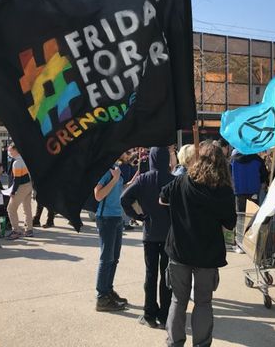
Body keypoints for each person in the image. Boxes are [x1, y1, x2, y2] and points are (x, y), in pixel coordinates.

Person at [160, 142, 236, 347]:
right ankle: (201, 344)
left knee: (178, 300)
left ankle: (174, 342)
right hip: (207, 254)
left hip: (179, 250)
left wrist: (178, 207)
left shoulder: (181, 182)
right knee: (203, 302)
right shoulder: (223, 190)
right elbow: (230, 223)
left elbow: (162, 198)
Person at [121, 147, 174, 328]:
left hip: (150, 233)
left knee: (150, 274)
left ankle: (149, 313)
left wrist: (138, 216)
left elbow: (124, 199)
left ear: (150, 159)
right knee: (166, 275)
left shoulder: (143, 179)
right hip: (168, 234)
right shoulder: (174, 180)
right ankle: (165, 314)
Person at [93, 164, 129, 312]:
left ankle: (108, 290)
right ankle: (102, 297)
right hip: (106, 218)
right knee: (106, 258)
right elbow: (98, 195)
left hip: (117, 217)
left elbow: (117, 191)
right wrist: (114, 179)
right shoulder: (106, 171)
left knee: (114, 258)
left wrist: (130, 183)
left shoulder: (116, 169)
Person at [6, 144, 34, 239]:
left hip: (21, 187)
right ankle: (29, 229)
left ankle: (16, 230)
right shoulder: (25, 159)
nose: (9, 152)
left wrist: (13, 192)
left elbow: (17, 179)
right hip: (29, 185)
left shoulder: (16, 162)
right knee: (27, 208)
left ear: (15, 150)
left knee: (11, 209)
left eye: (10, 150)